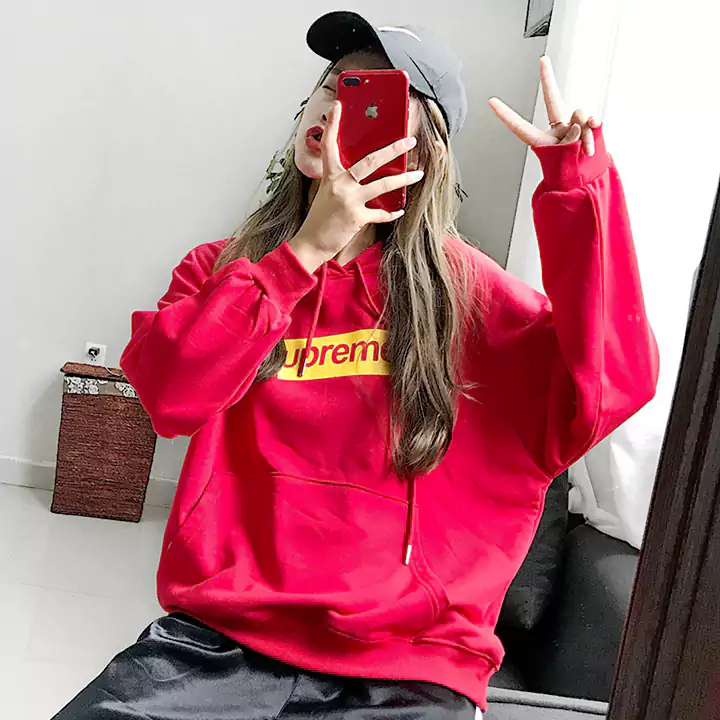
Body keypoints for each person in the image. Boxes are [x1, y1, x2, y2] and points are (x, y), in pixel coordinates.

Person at [52, 10, 659, 720]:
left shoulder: (474, 300)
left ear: (423, 146)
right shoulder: (224, 272)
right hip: (218, 645)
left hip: (408, 672)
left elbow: (611, 387)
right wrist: (302, 255)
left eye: (375, 95)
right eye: (334, 83)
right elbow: (167, 394)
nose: (339, 104)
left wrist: (579, 188)